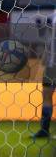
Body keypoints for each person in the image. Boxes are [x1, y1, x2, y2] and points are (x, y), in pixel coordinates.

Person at [32, 10, 55, 139]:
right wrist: (40, 24)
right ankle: (44, 130)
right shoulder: (52, 15)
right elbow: (43, 35)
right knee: (46, 94)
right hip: (51, 64)